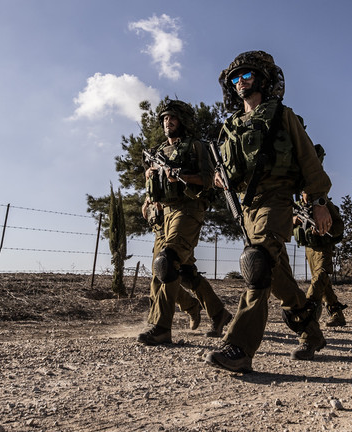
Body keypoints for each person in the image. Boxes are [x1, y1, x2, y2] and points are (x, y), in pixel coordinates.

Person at [205, 51, 331, 373]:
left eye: (246, 75)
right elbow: (230, 172)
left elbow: (308, 159)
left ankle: (240, 347)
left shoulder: (282, 115)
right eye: (235, 77)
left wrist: (318, 203)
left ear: (261, 79)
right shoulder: (230, 126)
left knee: (257, 264)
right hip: (247, 207)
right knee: (279, 280)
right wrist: (220, 180)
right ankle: (311, 333)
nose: (240, 81)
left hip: (277, 201)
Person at [138, 99, 232, 346]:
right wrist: (150, 184)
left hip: (189, 209)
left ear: (184, 122)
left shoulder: (197, 147)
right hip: (163, 216)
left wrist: (180, 176)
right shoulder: (158, 152)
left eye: (173, 118)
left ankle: (160, 328)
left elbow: (211, 180)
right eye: (165, 119)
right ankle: (218, 313)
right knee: (184, 273)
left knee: (167, 263)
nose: (168, 123)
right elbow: (154, 190)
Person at [293, 175, 348, 327]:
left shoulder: (324, 205)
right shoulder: (296, 207)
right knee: (324, 284)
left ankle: (307, 311)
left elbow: (339, 227)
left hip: (324, 248)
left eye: (309, 192)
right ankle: (337, 314)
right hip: (309, 249)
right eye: (304, 192)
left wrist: (324, 229)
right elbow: (286, 227)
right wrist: (293, 221)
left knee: (319, 279)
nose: (307, 196)